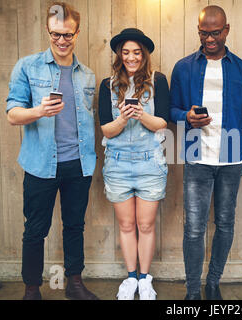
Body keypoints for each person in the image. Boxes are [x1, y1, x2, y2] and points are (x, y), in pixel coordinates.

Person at [6, 2, 98, 300]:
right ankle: (32, 289)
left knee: (74, 227)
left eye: (67, 35)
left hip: (78, 164)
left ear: (77, 33)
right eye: (56, 34)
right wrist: (38, 111)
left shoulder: (87, 75)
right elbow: (12, 114)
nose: (61, 41)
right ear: (48, 31)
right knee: (35, 229)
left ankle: (74, 284)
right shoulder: (27, 66)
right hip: (40, 164)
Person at [169, 5, 242, 300]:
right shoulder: (184, 67)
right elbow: (171, 109)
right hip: (197, 156)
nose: (209, 39)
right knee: (194, 228)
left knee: (225, 223)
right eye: (203, 33)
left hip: (233, 157)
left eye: (215, 33)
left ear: (226, 30)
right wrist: (186, 117)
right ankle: (193, 290)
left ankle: (213, 282)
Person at [98, 28, 169, 300]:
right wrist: (123, 119)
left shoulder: (157, 80)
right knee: (126, 226)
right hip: (117, 165)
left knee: (146, 225)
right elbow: (106, 129)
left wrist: (141, 115)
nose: (131, 57)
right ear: (119, 55)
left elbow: (162, 122)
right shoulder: (108, 85)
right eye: (126, 52)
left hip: (150, 164)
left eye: (136, 52)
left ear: (144, 55)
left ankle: (144, 279)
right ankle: (130, 278)